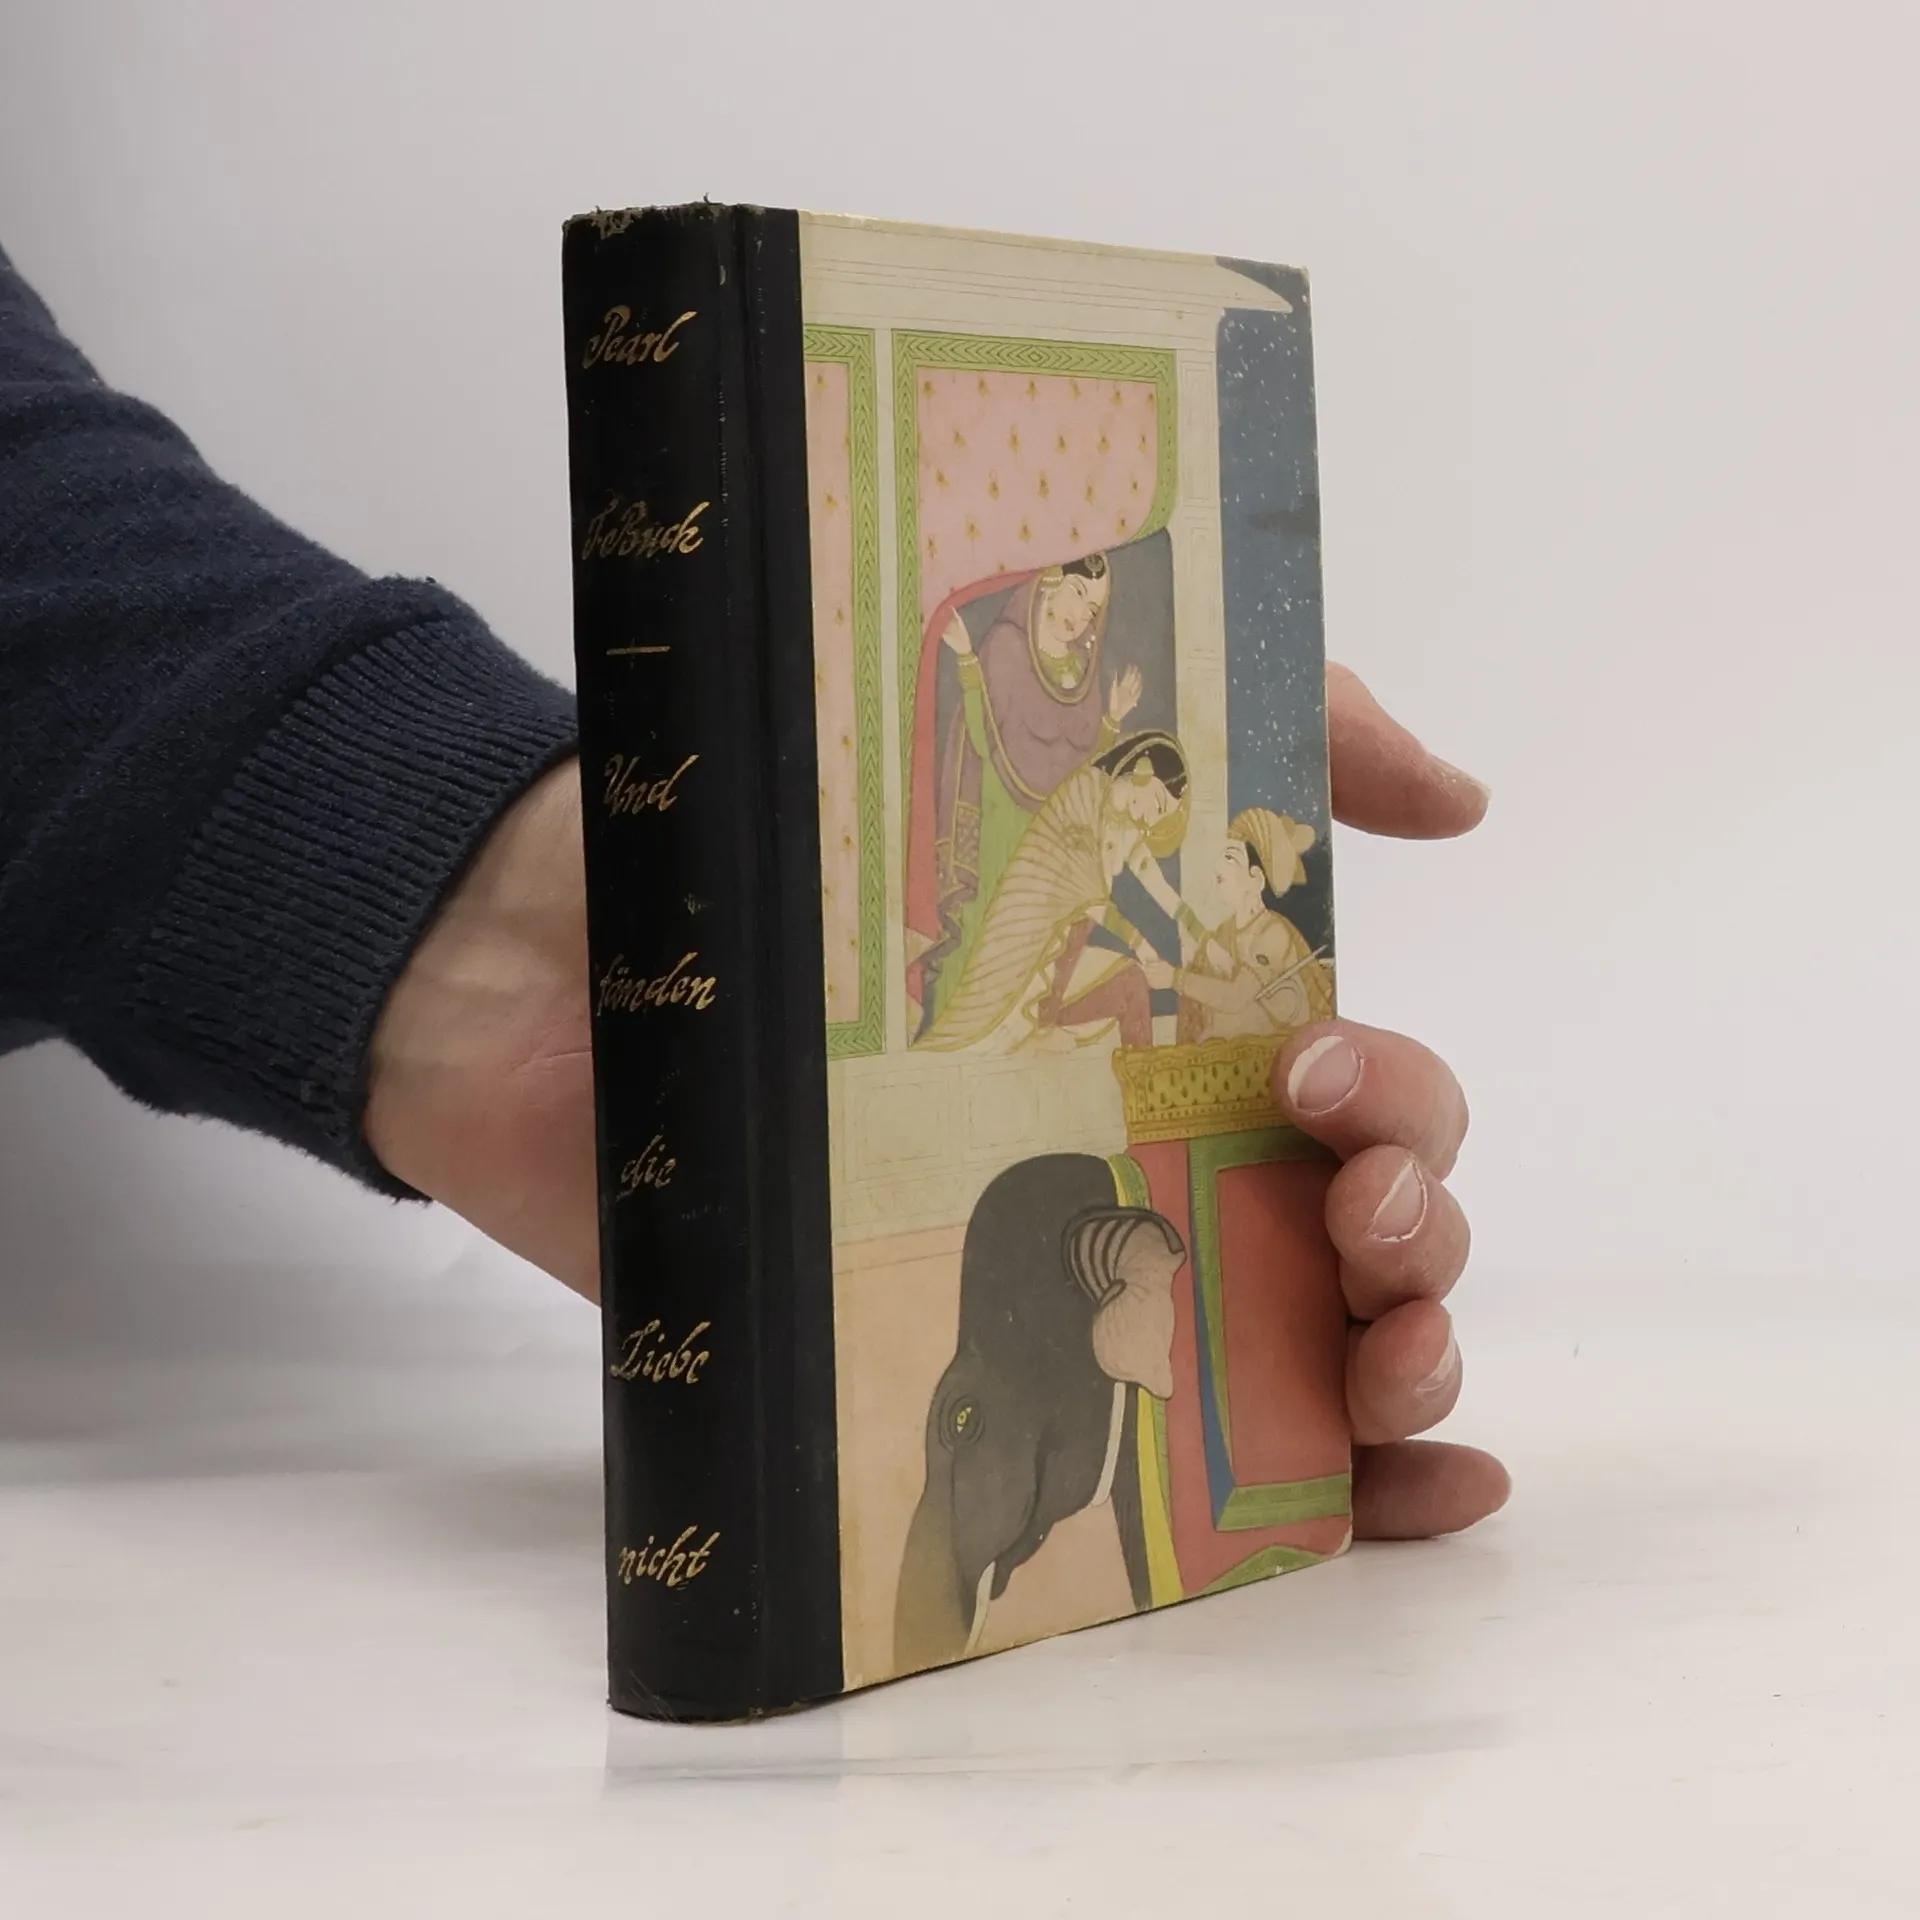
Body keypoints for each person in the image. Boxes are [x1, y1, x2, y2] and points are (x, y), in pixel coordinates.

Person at [0, 240, 1508, 1546]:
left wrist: (478, 886)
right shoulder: (1054, 763)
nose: (1072, 608)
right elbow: (1064, 877)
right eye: (1066, 588)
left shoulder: (1103, 768)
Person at [904, 551, 1142, 1038]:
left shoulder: (1080, 670)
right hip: (999, 825)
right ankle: (955, 1038)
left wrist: (1113, 720)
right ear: (1051, 581)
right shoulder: (1007, 647)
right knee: (984, 947)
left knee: (1035, 958)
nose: (1080, 615)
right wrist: (968, 661)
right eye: (1077, 593)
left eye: (1092, 609)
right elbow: (981, 736)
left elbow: (1083, 777)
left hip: (1047, 842)